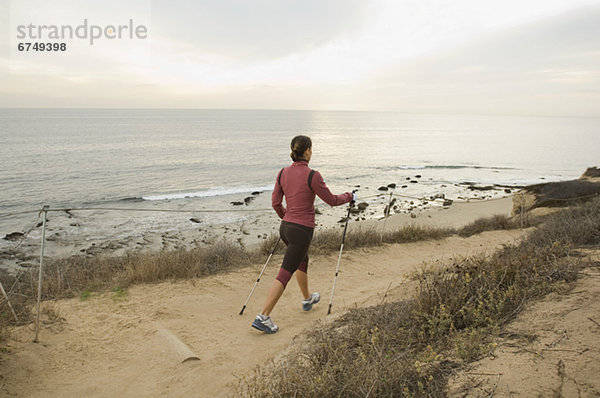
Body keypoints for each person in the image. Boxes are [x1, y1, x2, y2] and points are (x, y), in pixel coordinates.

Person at [252, 135, 356, 334]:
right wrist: (350, 196)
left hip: (286, 228)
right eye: (311, 149)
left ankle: (307, 298)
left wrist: (287, 217)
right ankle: (263, 316)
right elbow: (332, 200)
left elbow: (275, 203)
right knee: (285, 272)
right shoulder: (312, 175)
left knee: (302, 260)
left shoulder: (282, 173)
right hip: (302, 231)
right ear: (307, 151)